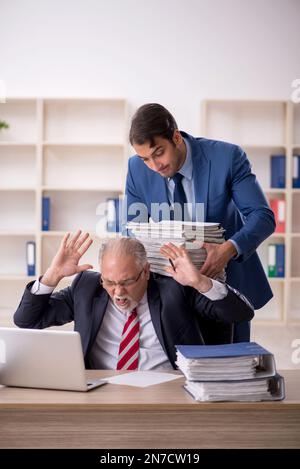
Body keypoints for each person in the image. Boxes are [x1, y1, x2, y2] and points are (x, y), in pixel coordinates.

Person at [125, 103, 275, 342]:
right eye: (145, 159)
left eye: (158, 153)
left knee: (230, 365)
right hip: (171, 288)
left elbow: (262, 217)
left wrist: (227, 250)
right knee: (176, 364)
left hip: (227, 284)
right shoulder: (136, 168)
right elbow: (133, 228)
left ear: (175, 137)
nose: (154, 166)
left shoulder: (227, 158)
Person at [14, 231, 254, 370]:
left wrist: (199, 281)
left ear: (146, 272)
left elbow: (241, 314)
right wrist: (52, 276)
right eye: (109, 282)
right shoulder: (87, 287)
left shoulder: (175, 290)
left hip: (166, 393)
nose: (118, 292)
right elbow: (27, 321)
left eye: (127, 282)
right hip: (100, 393)